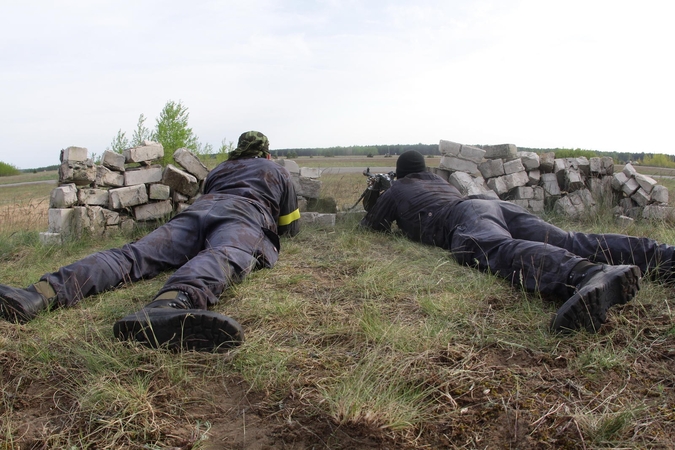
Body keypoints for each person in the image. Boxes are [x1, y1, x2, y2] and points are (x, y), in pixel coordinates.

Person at [0, 131, 300, 351]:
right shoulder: (276, 170)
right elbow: (289, 225)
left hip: (196, 213)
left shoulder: (221, 169)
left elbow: (205, 194)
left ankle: (38, 294)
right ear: (267, 154)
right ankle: (169, 305)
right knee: (226, 252)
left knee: (134, 254)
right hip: (243, 213)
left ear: (237, 151)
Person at [360, 150, 675, 333]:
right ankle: (663, 257)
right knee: (571, 238)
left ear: (400, 174)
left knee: (495, 249)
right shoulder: (439, 182)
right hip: (491, 203)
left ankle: (587, 275)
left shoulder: (398, 190)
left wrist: (379, 193)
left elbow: (372, 226)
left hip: (465, 216)